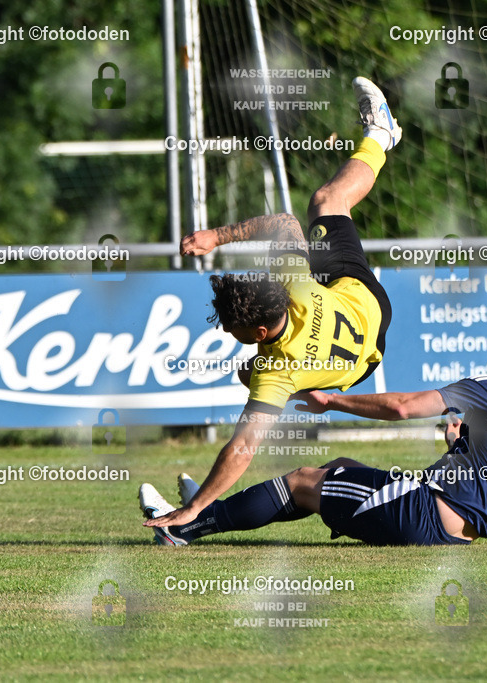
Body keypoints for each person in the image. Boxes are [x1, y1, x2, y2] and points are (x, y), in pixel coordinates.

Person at [147, 77, 401, 535]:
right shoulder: (292, 282)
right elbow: (284, 222)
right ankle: (381, 136)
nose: (228, 334)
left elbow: (243, 449)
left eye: (233, 331)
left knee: (257, 378)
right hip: (362, 299)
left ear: (260, 333)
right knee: (327, 200)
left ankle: (200, 519)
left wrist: (195, 507)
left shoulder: (274, 370)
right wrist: (218, 236)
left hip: (361, 350)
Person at [141, 323, 487, 546]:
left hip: (425, 516)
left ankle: (186, 525)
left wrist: (333, 402)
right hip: (461, 529)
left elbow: (403, 408)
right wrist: (458, 447)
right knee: (339, 468)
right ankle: (215, 507)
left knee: (303, 480)